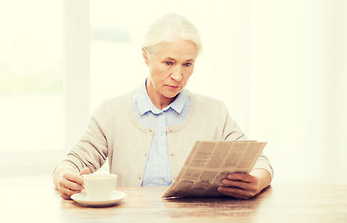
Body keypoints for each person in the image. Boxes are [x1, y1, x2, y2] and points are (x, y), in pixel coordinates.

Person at [53, 13, 273, 200]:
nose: (178, 75)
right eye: (169, 62)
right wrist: (64, 176)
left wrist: (257, 180)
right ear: (146, 57)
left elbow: (260, 162)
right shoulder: (111, 112)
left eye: (187, 64)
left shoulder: (214, 112)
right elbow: (72, 162)